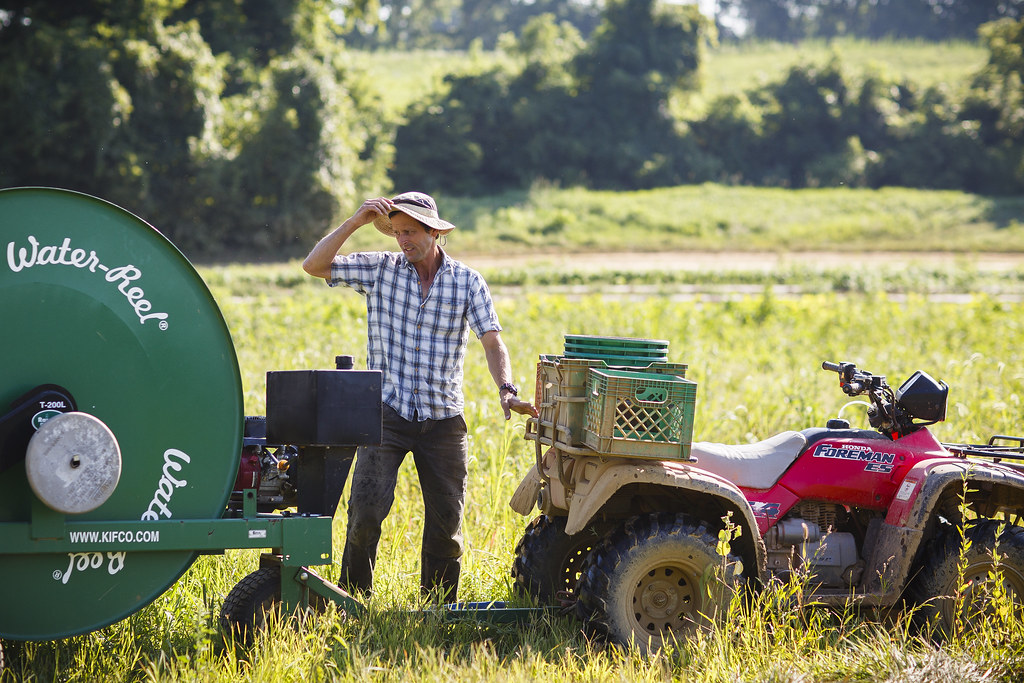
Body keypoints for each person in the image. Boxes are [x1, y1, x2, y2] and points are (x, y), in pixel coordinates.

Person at [302, 191, 538, 601]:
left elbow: (492, 342)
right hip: (386, 414)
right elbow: (314, 265)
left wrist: (506, 390)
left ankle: (437, 608)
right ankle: (353, 601)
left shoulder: (467, 282)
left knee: (447, 527)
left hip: (444, 420)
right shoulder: (380, 269)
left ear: (434, 232)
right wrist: (356, 222)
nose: (402, 240)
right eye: (396, 232)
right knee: (365, 517)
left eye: (410, 231)